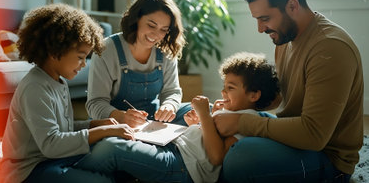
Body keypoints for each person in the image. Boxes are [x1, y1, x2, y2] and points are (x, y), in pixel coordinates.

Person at [214, 0, 364, 182]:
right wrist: (232, 106)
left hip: (326, 157)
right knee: (197, 113)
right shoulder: (285, 38)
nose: (259, 28)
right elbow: (283, 98)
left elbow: (314, 135)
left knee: (241, 156)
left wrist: (240, 122)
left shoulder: (330, 47)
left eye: (265, 18)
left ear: (292, 6)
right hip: (295, 137)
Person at [87, 52, 280, 183]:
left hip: (184, 168)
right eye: (224, 86)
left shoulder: (248, 121)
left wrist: (205, 116)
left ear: (254, 95)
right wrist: (198, 124)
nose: (222, 92)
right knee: (119, 137)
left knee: (113, 147)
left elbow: (216, 157)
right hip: (178, 148)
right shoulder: (232, 112)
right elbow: (210, 138)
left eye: (230, 88)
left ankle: (70, 172)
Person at [0, 3, 136, 183]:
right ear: (55, 51)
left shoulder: (59, 81)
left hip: (54, 159)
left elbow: (64, 130)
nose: (84, 64)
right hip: (28, 170)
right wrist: (103, 131)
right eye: (80, 57)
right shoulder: (35, 87)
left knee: (116, 167)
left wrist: (94, 124)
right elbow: (51, 144)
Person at [86, 0, 191, 127]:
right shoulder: (106, 49)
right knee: (113, 149)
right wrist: (121, 117)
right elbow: (95, 103)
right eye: (151, 25)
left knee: (206, 112)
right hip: (115, 124)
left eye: (164, 29)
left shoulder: (166, 50)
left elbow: (172, 91)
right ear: (136, 19)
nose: (156, 35)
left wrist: (169, 106)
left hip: (152, 120)